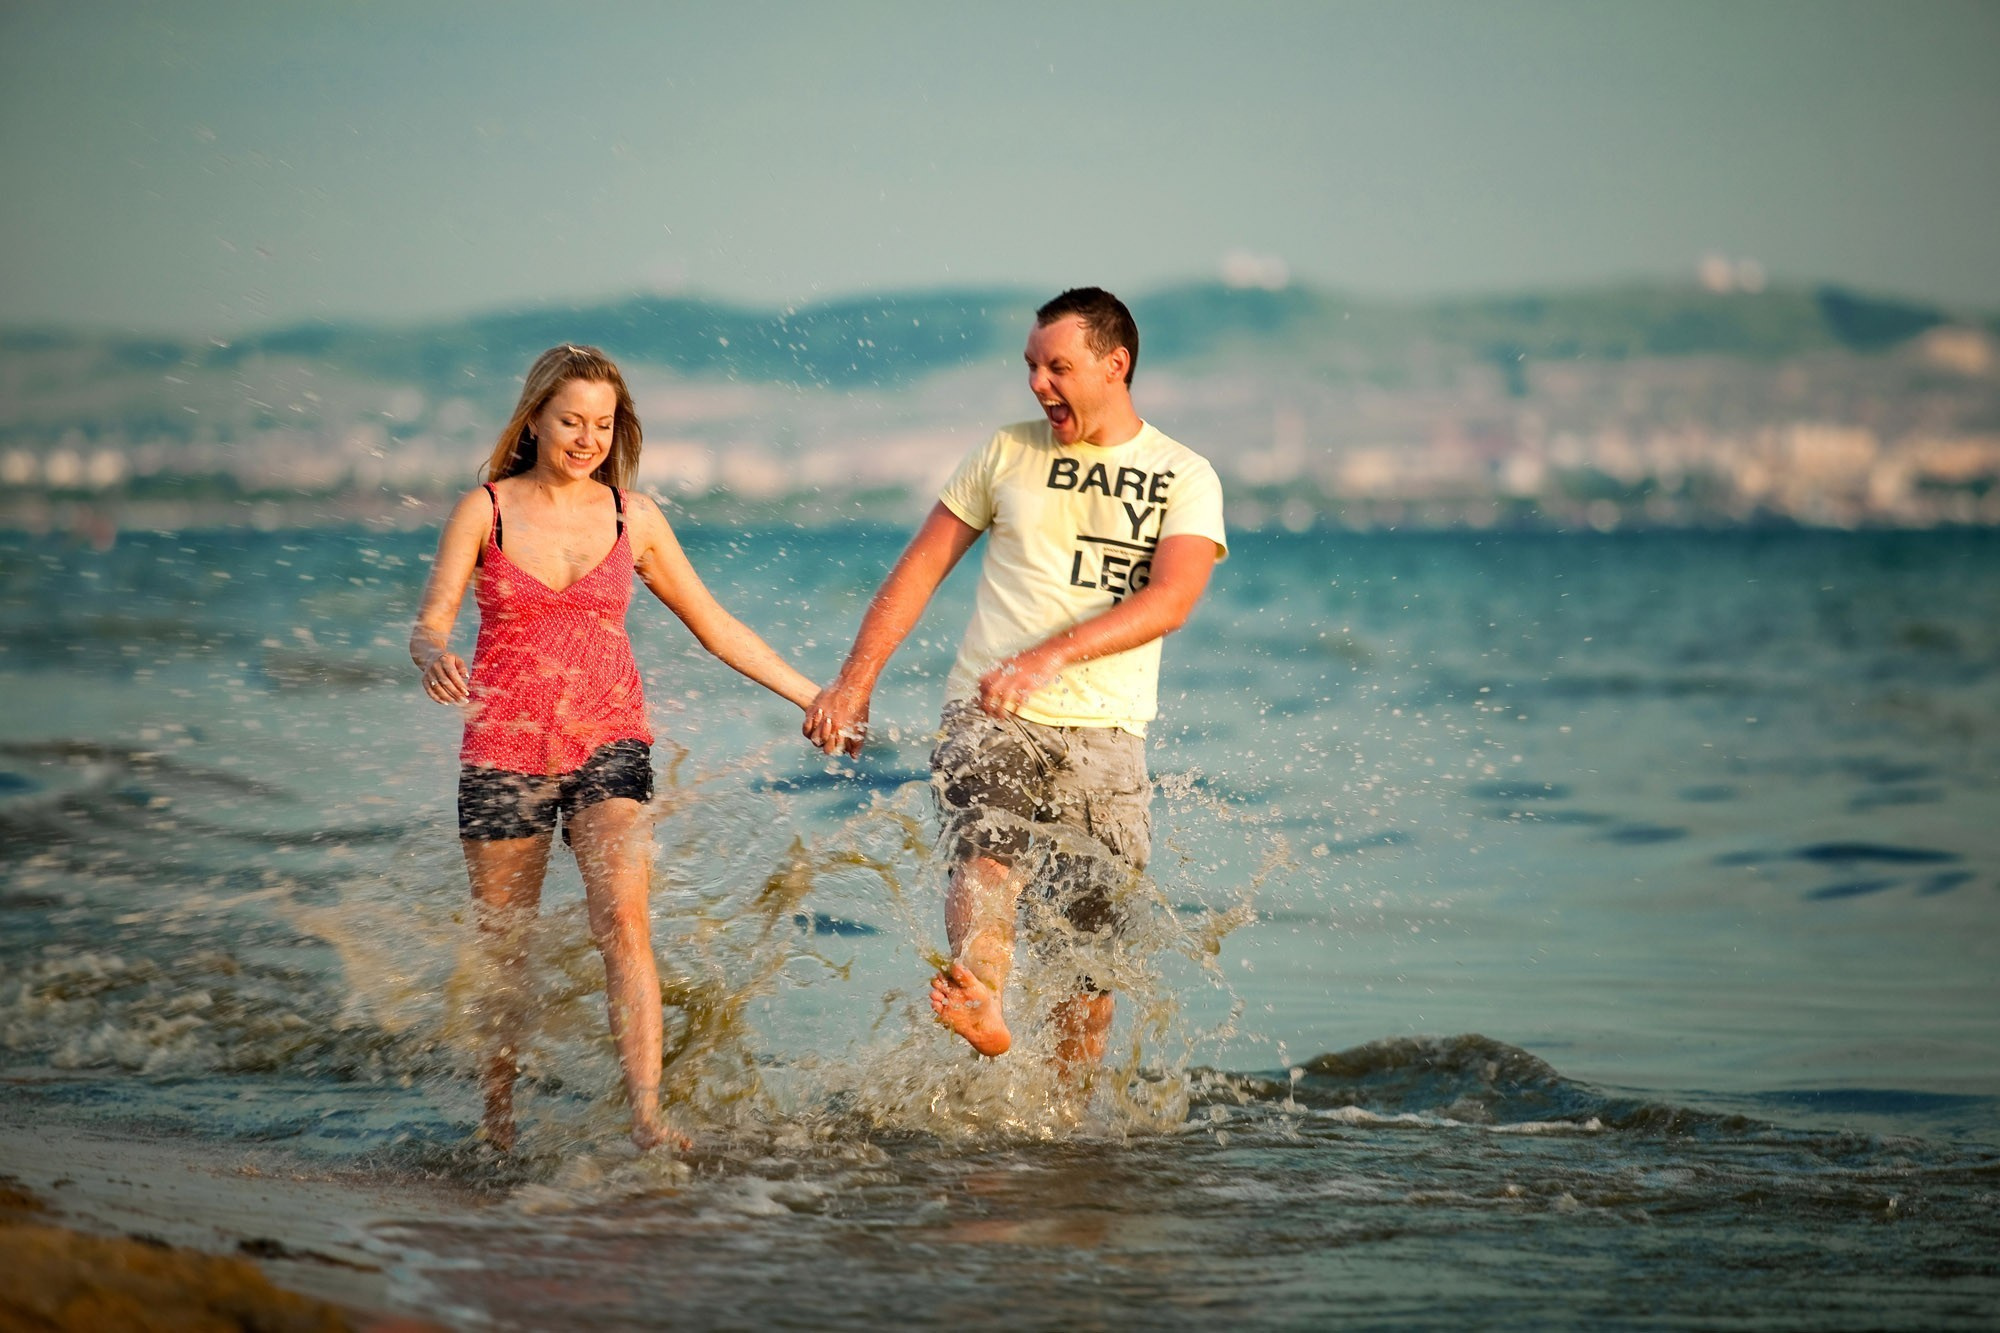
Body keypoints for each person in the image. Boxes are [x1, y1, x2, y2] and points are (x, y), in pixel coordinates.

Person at [805, 288, 1226, 1075]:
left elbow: (1172, 599)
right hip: (988, 710)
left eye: (1057, 366)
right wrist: (853, 683)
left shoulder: (1184, 474)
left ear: (1115, 364)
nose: (1039, 383)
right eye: (1031, 366)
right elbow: (921, 568)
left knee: (1088, 966)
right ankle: (984, 999)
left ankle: (1065, 1146)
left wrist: (1052, 654)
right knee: (986, 857)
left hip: (1110, 736)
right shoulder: (1006, 451)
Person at [411, 343, 818, 1152]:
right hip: (504, 748)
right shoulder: (484, 509)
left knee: (624, 919)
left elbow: (716, 626)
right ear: (535, 419)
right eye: (571, 420)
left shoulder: (635, 517)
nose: (587, 438)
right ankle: (498, 1120)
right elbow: (431, 619)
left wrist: (815, 696)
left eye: (603, 423)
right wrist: (432, 655)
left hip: (610, 742)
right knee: (506, 946)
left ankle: (645, 1114)